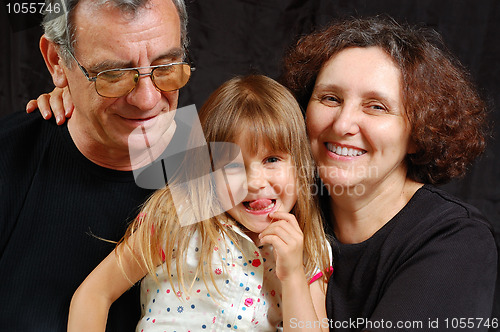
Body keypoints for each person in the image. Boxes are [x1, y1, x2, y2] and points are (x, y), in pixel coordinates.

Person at [67, 74, 332, 331]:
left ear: (301, 164)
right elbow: (95, 293)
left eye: (272, 160)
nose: (254, 182)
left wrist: (294, 275)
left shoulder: (310, 248)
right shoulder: (179, 217)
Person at [281, 17, 497, 331]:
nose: (342, 124)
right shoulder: (276, 197)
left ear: (418, 134)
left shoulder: (457, 243)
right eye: (330, 98)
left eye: (376, 106)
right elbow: (190, 195)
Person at [0, 0, 192, 331]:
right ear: (57, 61)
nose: (147, 100)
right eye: (114, 74)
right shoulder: (9, 160)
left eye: (165, 67)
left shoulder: (214, 167)